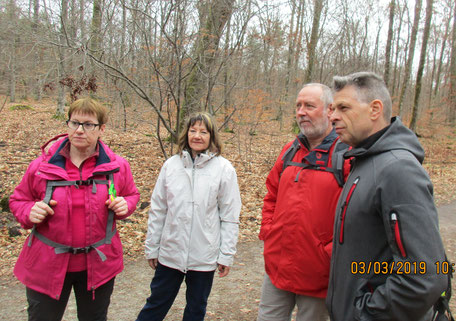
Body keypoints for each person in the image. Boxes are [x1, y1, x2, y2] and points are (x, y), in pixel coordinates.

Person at [327, 71, 448, 321]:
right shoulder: (365, 161)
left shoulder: (397, 169)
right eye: (332, 108)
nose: (333, 116)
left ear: (375, 109)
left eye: (343, 107)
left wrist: (366, 313)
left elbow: (426, 277)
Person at [9, 97, 140, 321]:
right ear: (68, 125)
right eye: (74, 123)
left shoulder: (117, 166)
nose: (80, 130)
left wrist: (125, 205)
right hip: (46, 264)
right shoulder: (42, 166)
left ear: (101, 129)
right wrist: (29, 212)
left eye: (88, 124)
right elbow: (18, 200)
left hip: (98, 266)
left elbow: (131, 194)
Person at [136, 112, 242, 321]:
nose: (197, 136)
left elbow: (229, 215)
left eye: (203, 132)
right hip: (170, 253)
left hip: (204, 255)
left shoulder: (224, 169)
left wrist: (226, 254)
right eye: (193, 130)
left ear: (211, 136)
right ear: (186, 134)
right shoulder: (171, 166)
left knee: (196, 310)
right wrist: (152, 247)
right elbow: (158, 210)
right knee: (155, 305)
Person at [257, 83, 349, 321]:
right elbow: (271, 195)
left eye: (309, 105)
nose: (301, 112)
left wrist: (330, 253)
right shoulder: (290, 150)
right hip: (278, 264)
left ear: (330, 110)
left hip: (319, 273)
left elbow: (356, 214)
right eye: (298, 106)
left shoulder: (347, 156)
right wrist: (269, 231)